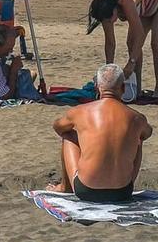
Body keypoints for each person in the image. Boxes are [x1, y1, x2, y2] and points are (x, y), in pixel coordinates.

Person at [48, 64, 151, 203]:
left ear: (97, 88)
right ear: (123, 88)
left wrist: (85, 137)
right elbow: (147, 133)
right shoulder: (137, 117)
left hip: (86, 190)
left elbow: (58, 127)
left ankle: (65, 187)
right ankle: (125, 180)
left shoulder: (80, 111)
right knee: (138, 139)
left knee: (68, 134)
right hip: (123, 192)